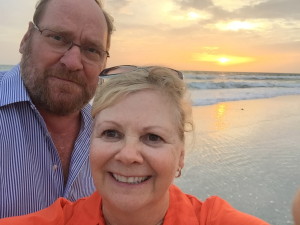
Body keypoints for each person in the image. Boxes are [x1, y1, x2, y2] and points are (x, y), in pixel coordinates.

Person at [0, 65, 270, 225]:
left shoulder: (212, 219)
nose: (128, 155)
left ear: (180, 157)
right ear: (90, 145)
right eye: (111, 133)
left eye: (153, 137)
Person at [0, 0, 114, 218]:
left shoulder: (114, 137)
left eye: (92, 50)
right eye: (58, 38)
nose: (73, 62)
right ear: (26, 39)